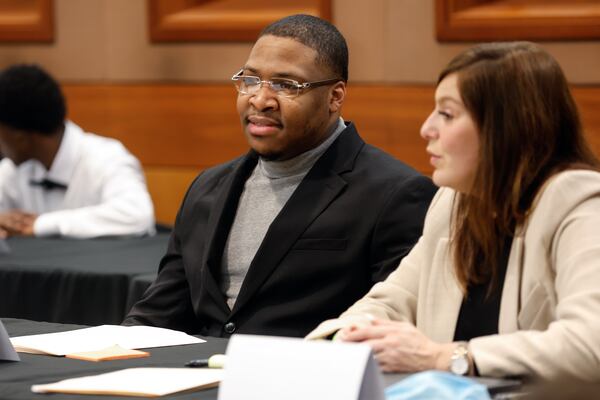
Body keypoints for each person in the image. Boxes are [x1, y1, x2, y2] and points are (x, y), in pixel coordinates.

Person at [123, 14, 436, 338]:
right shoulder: (208, 187)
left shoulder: (394, 194)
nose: (260, 100)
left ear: (335, 97)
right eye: (250, 80)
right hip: (202, 381)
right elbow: (161, 313)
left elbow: (394, 326)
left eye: (286, 85)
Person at [307, 42, 600, 382]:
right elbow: (392, 301)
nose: (426, 128)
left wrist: (446, 357)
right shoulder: (454, 202)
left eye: (446, 114)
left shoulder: (579, 201)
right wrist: (343, 339)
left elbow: (590, 342)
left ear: (506, 127)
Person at [0, 64, 155, 238]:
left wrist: (41, 224)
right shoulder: (11, 171)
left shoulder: (107, 158)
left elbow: (137, 216)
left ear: (20, 138)